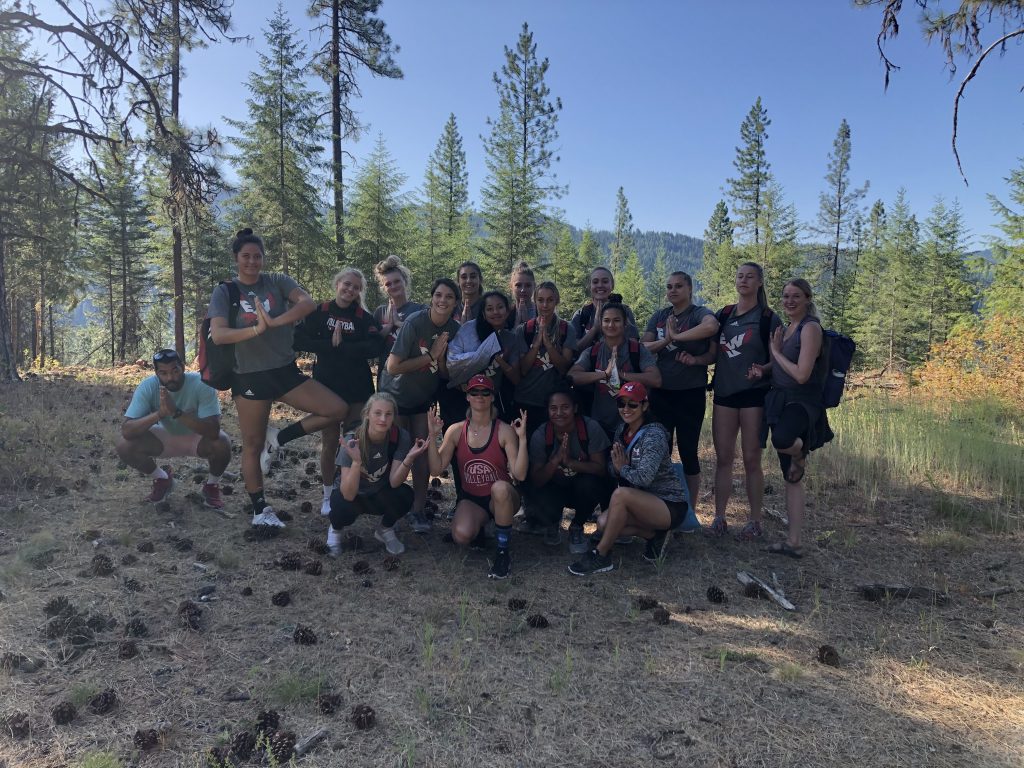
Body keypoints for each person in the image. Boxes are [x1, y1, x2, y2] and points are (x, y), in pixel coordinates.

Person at [207, 228, 348, 528]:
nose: (252, 262)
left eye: (257, 256)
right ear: (236, 258)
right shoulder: (225, 292)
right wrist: (255, 330)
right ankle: (261, 511)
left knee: (337, 410)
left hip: (284, 370)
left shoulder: (276, 281)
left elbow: (307, 303)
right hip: (248, 376)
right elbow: (218, 335)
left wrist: (273, 322)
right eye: (246, 256)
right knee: (252, 445)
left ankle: (280, 437)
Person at [568, 382, 689, 575]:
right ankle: (654, 536)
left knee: (621, 495)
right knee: (603, 523)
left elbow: (644, 478)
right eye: (621, 403)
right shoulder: (621, 431)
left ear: (645, 406)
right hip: (641, 501)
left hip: (669, 504)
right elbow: (611, 466)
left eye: (633, 404)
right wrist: (618, 468)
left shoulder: (654, 435)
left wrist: (622, 469)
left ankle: (601, 555)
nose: (626, 409)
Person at [293, 268, 384, 516]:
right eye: (346, 284)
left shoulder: (362, 317)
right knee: (330, 442)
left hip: (357, 389)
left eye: (355, 287)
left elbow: (375, 345)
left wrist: (344, 346)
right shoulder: (320, 312)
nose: (350, 290)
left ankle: (351, 491)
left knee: (353, 442)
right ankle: (326, 494)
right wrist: (327, 346)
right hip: (327, 388)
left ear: (359, 292)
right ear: (337, 284)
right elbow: (298, 339)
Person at [426, 375, 529, 579]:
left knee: (499, 488)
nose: (479, 396)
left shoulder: (504, 430)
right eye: (474, 392)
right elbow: (436, 470)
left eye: (485, 392)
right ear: (467, 397)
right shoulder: (455, 431)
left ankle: (502, 551)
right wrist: (431, 436)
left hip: (502, 497)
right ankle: (482, 527)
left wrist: (523, 438)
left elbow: (520, 474)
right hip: (473, 499)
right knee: (461, 536)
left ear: (492, 397)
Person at [708, 262, 782, 541]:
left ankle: (754, 520)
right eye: (740, 276)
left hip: (754, 395)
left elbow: (779, 357)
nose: (744, 281)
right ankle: (719, 517)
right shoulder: (724, 314)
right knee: (723, 458)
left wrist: (763, 370)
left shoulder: (768, 318)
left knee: (752, 459)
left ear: (760, 282)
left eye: (750, 277)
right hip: (724, 394)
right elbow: (712, 352)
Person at [759, 279, 833, 558]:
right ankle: (794, 541)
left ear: (807, 298)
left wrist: (776, 351)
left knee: (783, 440)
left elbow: (801, 374)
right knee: (790, 476)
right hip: (779, 400)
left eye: (796, 296)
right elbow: (780, 366)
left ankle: (802, 450)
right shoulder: (787, 328)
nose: (789, 301)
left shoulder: (810, 328)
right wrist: (764, 369)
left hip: (802, 402)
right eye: (786, 296)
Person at [380, 277, 461, 532]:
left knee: (423, 450)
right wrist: (430, 355)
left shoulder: (454, 329)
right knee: (400, 450)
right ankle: (390, 508)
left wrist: (444, 361)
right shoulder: (416, 323)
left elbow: (446, 372)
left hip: (424, 397)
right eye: (438, 295)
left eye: (449, 297)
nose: (442, 300)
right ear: (431, 297)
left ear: (456, 303)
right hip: (396, 394)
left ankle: (417, 510)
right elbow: (392, 367)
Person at [641, 270, 719, 509]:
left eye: (678, 286)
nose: (672, 290)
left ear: (689, 289)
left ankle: (690, 510)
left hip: (690, 393)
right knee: (659, 451)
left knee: (688, 452)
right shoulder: (660, 316)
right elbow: (644, 347)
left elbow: (712, 327)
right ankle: (660, 505)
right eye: (669, 286)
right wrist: (668, 339)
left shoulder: (698, 313)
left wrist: (680, 338)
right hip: (661, 393)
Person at [117, 348, 231, 508]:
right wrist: (159, 414)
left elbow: (213, 430)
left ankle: (212, 486)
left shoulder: (201, 383)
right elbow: (127, 431)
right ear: (156, 373)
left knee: (222, 442)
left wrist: (176, 412)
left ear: (183, 367)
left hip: (196, 437)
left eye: (175, 370)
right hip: (164, 437)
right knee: (125, 445)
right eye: (163, 373)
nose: (170, 377)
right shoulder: (148, 387)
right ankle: (162, 479)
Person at [326, 393, 430, 557]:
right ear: (367, 413)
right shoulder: (352, 440)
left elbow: (395, 482)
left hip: (378, 493)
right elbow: (348, 493)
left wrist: (409, 457)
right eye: (377, 413)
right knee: (341, 506)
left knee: (405, 495)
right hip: (353, 496)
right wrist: (356, 463)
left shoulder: (400, 436)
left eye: (388, 414)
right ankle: (335, 530)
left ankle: (385, 529)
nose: (383, 419)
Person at [522, 387, 612, 553]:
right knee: (535, 489)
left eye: (565, 407)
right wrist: (555, 461)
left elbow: (600, 469)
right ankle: (551, 524)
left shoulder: (590, 428)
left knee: (593, 484)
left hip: (581, 489)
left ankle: (577, 526)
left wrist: (570, 463)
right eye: (553, 408)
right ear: (548, 411)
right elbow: (536, 480)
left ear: (575, 408)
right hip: (555, 488)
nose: (559, 413)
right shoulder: (541, 435)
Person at [568, 303, 661, 439]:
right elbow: (572, 376)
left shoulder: (637, 350)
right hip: (600, 425)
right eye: (606, 320)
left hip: (632, 425)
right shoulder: (593, 351)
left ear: (625, 324)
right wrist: (604, 374)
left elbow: (656, 379)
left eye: (616, 320)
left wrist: (622, 374)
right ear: (600, 323)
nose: (611, 325)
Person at [512, 281, 578, 431]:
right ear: (535, 301)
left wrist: (548, 343)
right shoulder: (524, 330)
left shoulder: (567, 329)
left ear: (557, 301)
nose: (545, 305)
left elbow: (564, 368)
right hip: (525, 399)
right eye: (540, 300)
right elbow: (523, 369)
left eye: (550, 300)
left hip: (553, 403)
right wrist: (536, 345)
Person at [446, 290, 521, 422]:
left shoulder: (511, 338)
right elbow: (453, 362)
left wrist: (499, 359)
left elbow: (516, 378)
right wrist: (483, 355)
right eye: (490, 309)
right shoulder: (470, 330)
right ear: (483, 314)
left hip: (493, 399)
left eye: (500, 307)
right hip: (465, 398)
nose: (496, 312)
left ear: (507, 311)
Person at [372, 255, 426, 387]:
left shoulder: (420, 310)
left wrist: (400, 324)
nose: (393, 286)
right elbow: (373, 346)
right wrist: (388, 327)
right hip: (386, 382)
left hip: (415, 383)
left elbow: (426, 341)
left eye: (397, 281)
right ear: (384, 288)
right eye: (388, 284)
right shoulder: (380, 312)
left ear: (405, 281)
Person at [570, 267, 639, 352]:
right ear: (589, 286)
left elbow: (633, 346)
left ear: (612, 285)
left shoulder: (624, 311)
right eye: (595, 282)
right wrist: (595, 328)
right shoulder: (581, 314)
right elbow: (574, 350)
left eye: (605, 281)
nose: (600, 285)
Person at [507, 261, 537, 328]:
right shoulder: (505, 314)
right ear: (511, 286)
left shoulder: (542, 312)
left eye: (528, 285)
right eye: (518, 285)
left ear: (534, 286)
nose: (523, 290)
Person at [456, 261, 484, 325]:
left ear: (480, 280)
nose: (468, 281)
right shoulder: (452, 307)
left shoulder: (487, 307)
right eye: (464, 277)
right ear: (458, 281)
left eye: (473, 276)